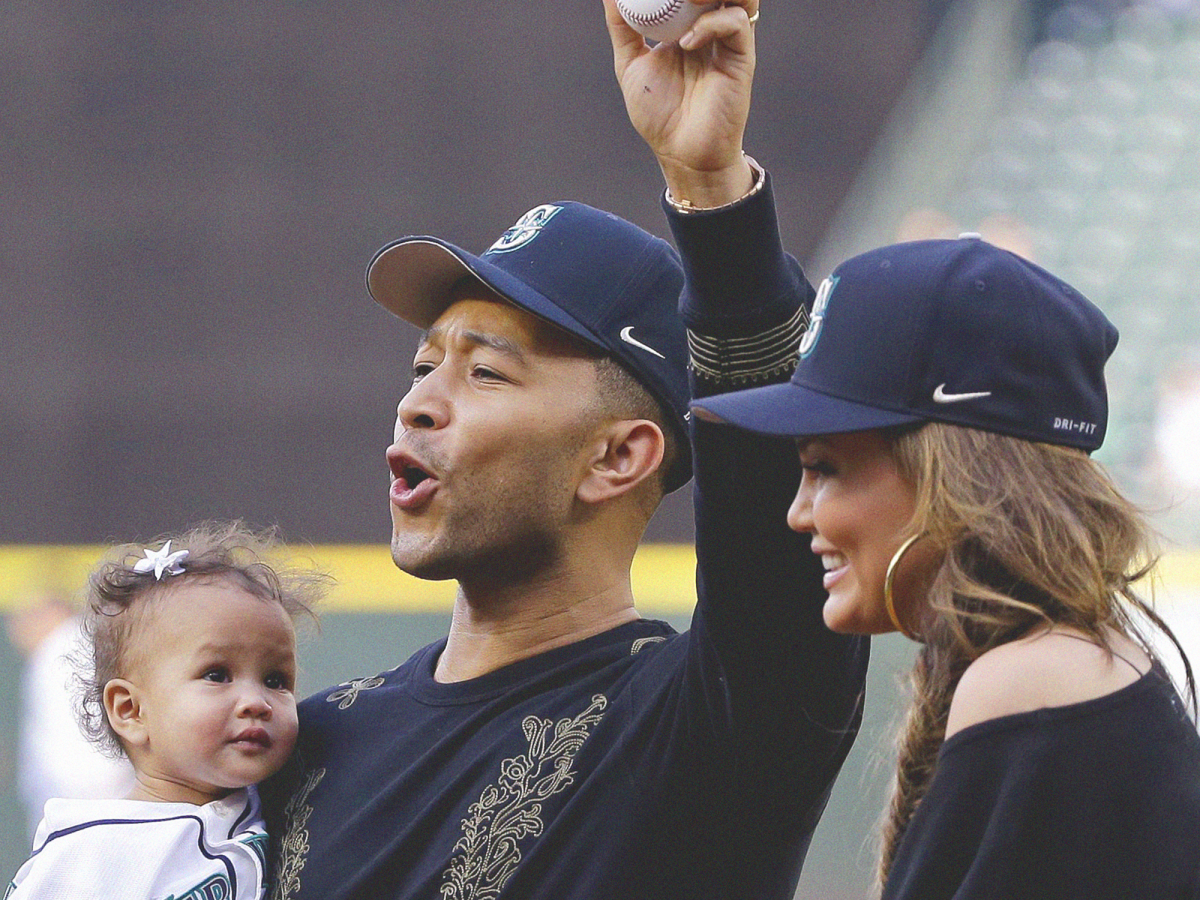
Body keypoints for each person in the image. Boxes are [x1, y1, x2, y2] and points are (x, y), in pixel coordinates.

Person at [262, 5, 867, 893]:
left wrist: (708, 186)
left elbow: (775, 511)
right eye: (424, 364)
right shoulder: (308, 745)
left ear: (618, 457)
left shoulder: (701, 732)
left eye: (487, 375)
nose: (419, 403)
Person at [607, 2, 1200, 896]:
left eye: (825, 467)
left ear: (955, 480)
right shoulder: (1068, 664)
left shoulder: (1032, 679)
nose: (798, 510)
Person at [7, 522, 325, 900]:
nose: (256, 701)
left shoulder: (296, 803)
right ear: (130, 710)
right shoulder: (84, 857)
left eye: (275, 680)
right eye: (217, 674)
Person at [6, 592, 134, 840]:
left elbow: (77, 754)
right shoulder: (73, 644)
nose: (15, 633)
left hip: (83, 808)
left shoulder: (61, 649)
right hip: (93, 805)